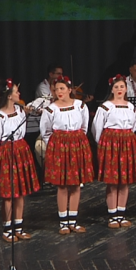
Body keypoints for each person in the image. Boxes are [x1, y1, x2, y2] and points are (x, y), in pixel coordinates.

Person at [0, 79, 40, 242]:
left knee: (20, 192)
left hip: (20, 149)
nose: (19, 94)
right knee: (8, 194)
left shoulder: (19, 111)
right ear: (9, 96)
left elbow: (22, 132)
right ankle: (7, 229)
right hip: (6, 152)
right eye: (16, 92)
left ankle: (18, 226)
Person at [40, 76, 93, 235]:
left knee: (75, 184)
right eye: (56, 89)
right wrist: (56, 145)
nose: (59, 92)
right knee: (62, 185)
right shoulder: (51, 109)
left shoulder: (80, 106)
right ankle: (63, 222)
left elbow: (84, 126)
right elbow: (45, 131)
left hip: (76, 145)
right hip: (59, 147)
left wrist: (76, 141)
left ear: (70, 90)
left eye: (62, 88)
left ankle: (73, 221)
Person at [92, 74, 136, 228]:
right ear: (112, 89)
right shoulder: (105, 107)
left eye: (122, 86)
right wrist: (104, 144)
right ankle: (112, 215)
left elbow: (133, 126)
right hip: (111, 144)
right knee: (113, 181)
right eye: (116, 87)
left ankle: (121, 213)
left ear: (126, 89)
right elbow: (97, 128)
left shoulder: (130, 107)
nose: (119, 89)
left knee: (124, 181)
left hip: (127, 143)